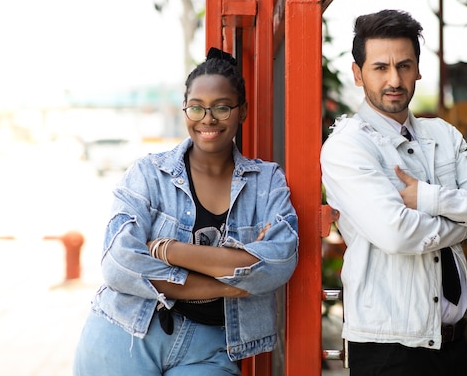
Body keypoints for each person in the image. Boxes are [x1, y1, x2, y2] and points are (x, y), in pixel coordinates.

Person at [73, 47, 299, 376]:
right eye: (196, 108)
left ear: (242, 111)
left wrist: (168, 250)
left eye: (222, 108)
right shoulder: (149, 174)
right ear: (185, 110)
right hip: (126, 333)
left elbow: (278, 261)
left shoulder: (267, 181)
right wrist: (230, 283)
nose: (208, 119)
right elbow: (119, 264)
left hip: (210, 349)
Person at [320, 9, 467, 376]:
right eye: (380, 67)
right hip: (387, 349)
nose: (394, 79)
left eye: (404, 65)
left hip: (453, 345)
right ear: (358, 74)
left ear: (418, 69)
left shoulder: (442, 134)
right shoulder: (347, 147)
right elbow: (397, 233)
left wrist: (429, 199)